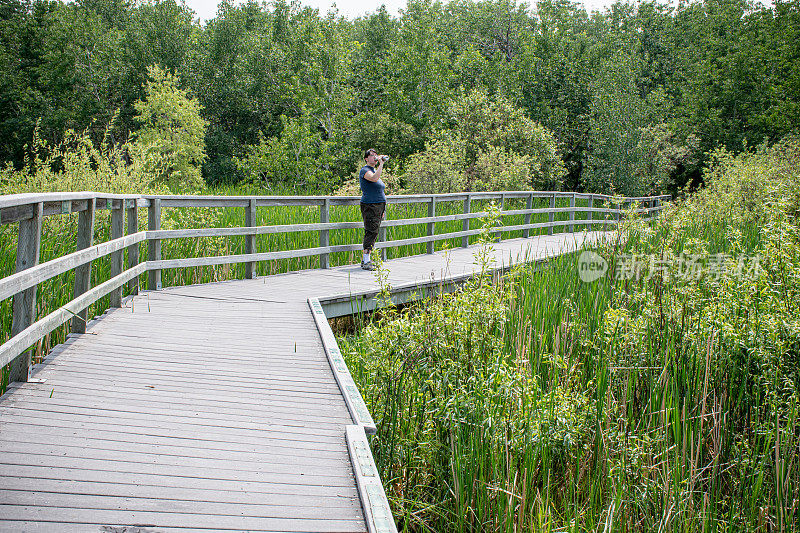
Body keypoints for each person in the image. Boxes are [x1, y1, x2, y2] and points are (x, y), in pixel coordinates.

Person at [359, 148, 387, 270]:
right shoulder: (365, 170)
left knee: (374, 232)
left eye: (376, 155)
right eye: (372, 155)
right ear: (366, 158)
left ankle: (367, 260)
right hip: (370, 205)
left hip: (378, 206)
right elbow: (374, 178)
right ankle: (366, 261)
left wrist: (382, 210)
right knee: (371, 231)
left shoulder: (374, 170)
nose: (375, 157)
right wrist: (381, 164)